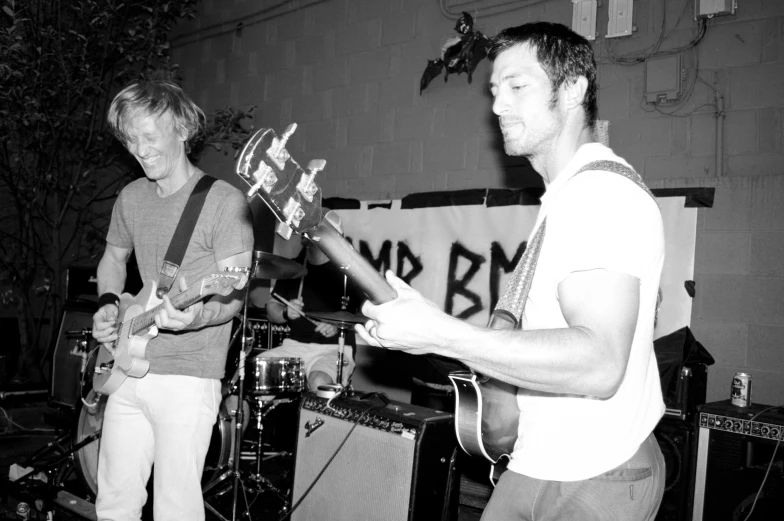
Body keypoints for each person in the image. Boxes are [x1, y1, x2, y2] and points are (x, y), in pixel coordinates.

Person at [357, 22, 666, 521]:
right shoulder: (563, 198)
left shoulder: (602, 196)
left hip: (598, 472)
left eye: (518, 87)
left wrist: (443, 334)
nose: (498, 106)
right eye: (496, 91)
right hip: (536, 461)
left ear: (573, 90)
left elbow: (600, 363)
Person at [91, 79, 254, 520]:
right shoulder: (131, 197)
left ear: (182, 129)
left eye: (148, 136)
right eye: (129, 139)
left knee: (175, 509)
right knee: (113, 503)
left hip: (188, 375)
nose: (139, 150)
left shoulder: (223, 203)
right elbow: (113, 257)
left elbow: (233, 295)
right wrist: (109, 302)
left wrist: (198, 315)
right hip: (127, 368)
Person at [263, 211, 363, 391]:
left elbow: (366, 315)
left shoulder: (350, 273)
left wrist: (341, 324)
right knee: (252, 374)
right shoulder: (292, 268)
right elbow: (272, 310)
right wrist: (285, 311)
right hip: (294, 347)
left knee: (319, 382)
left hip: (333, 350)